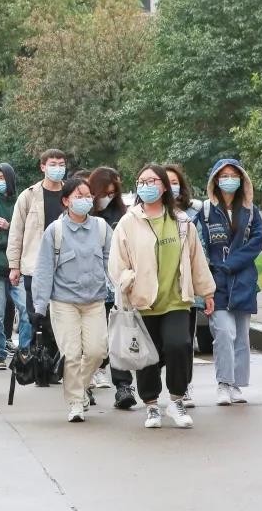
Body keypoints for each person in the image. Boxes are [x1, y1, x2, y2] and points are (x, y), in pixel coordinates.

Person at [108, 163, 215, 430]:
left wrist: (207, 291)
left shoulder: (181, 221)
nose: (146, 186)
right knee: (147, 356)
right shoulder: (128, 222)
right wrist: (129, 282)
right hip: (143, 302)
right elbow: (117, 263)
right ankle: (152, 405)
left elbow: (196, 258)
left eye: (152, 181)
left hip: (176, 300)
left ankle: (176, 400)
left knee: (180, 345)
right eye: (142, 182)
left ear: (164, 187)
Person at [32, 177, 112, 423]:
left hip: (95, 301)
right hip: (64, 302)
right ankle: (76, 401)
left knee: (98, 352)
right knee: (72, 354)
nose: (85, 200)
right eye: (79, 196)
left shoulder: (101, 228)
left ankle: (81, 387)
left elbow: (112, 263)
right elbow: (44, 270)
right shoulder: (55, 231)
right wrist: (39, 307)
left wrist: (122, 291)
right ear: (66, 201)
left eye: (88, 196)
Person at [201, 159, 262, 407]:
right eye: (224, 175)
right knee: (224, 333)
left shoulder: (251, 211)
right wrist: (208, 275)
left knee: (241, 337)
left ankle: (237, 384)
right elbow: (199, 245)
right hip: (216, 283)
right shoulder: (206, 211)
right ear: (215, 180)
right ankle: (223, 383)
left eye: (233, 175)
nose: (229, 180)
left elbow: (256, 243)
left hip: (243, 282)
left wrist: (231, 264)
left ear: (242, 180)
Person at [87, 166, 136, 410]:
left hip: (116, 287)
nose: (109, 197)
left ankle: (123, 386)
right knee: (91, 343)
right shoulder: (83, 215)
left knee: (118, 338)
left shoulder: (123, 216)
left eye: (113, 193)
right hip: (87, 288)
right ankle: (82, 384)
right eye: (105, 193)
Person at [8, 149, 68, 315]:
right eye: (53, 164)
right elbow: (16, 232)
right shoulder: (28, 196)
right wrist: (14, 266)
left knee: (63, 314)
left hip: (65, 265)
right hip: (35, 265)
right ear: (43, 167)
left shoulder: (71, 194)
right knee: (36, 316)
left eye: (61, 165)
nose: (58, 168)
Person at [165, 163, 205, 408]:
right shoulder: (145, 214)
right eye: (166, 182)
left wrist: (204, 290)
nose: (172, 187)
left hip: (185, 288)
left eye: (175, 182)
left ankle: (183, 387)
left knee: (184, 342)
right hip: (156, 291)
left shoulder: (193, 214)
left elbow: (200, 252)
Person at [0, 163, 30, 370]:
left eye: (2, 177)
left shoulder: (23, 201)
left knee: (26, 311)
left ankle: (25, 351)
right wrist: (10, 236)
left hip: (20, 268)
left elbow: (28, 234)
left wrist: (10, 228)